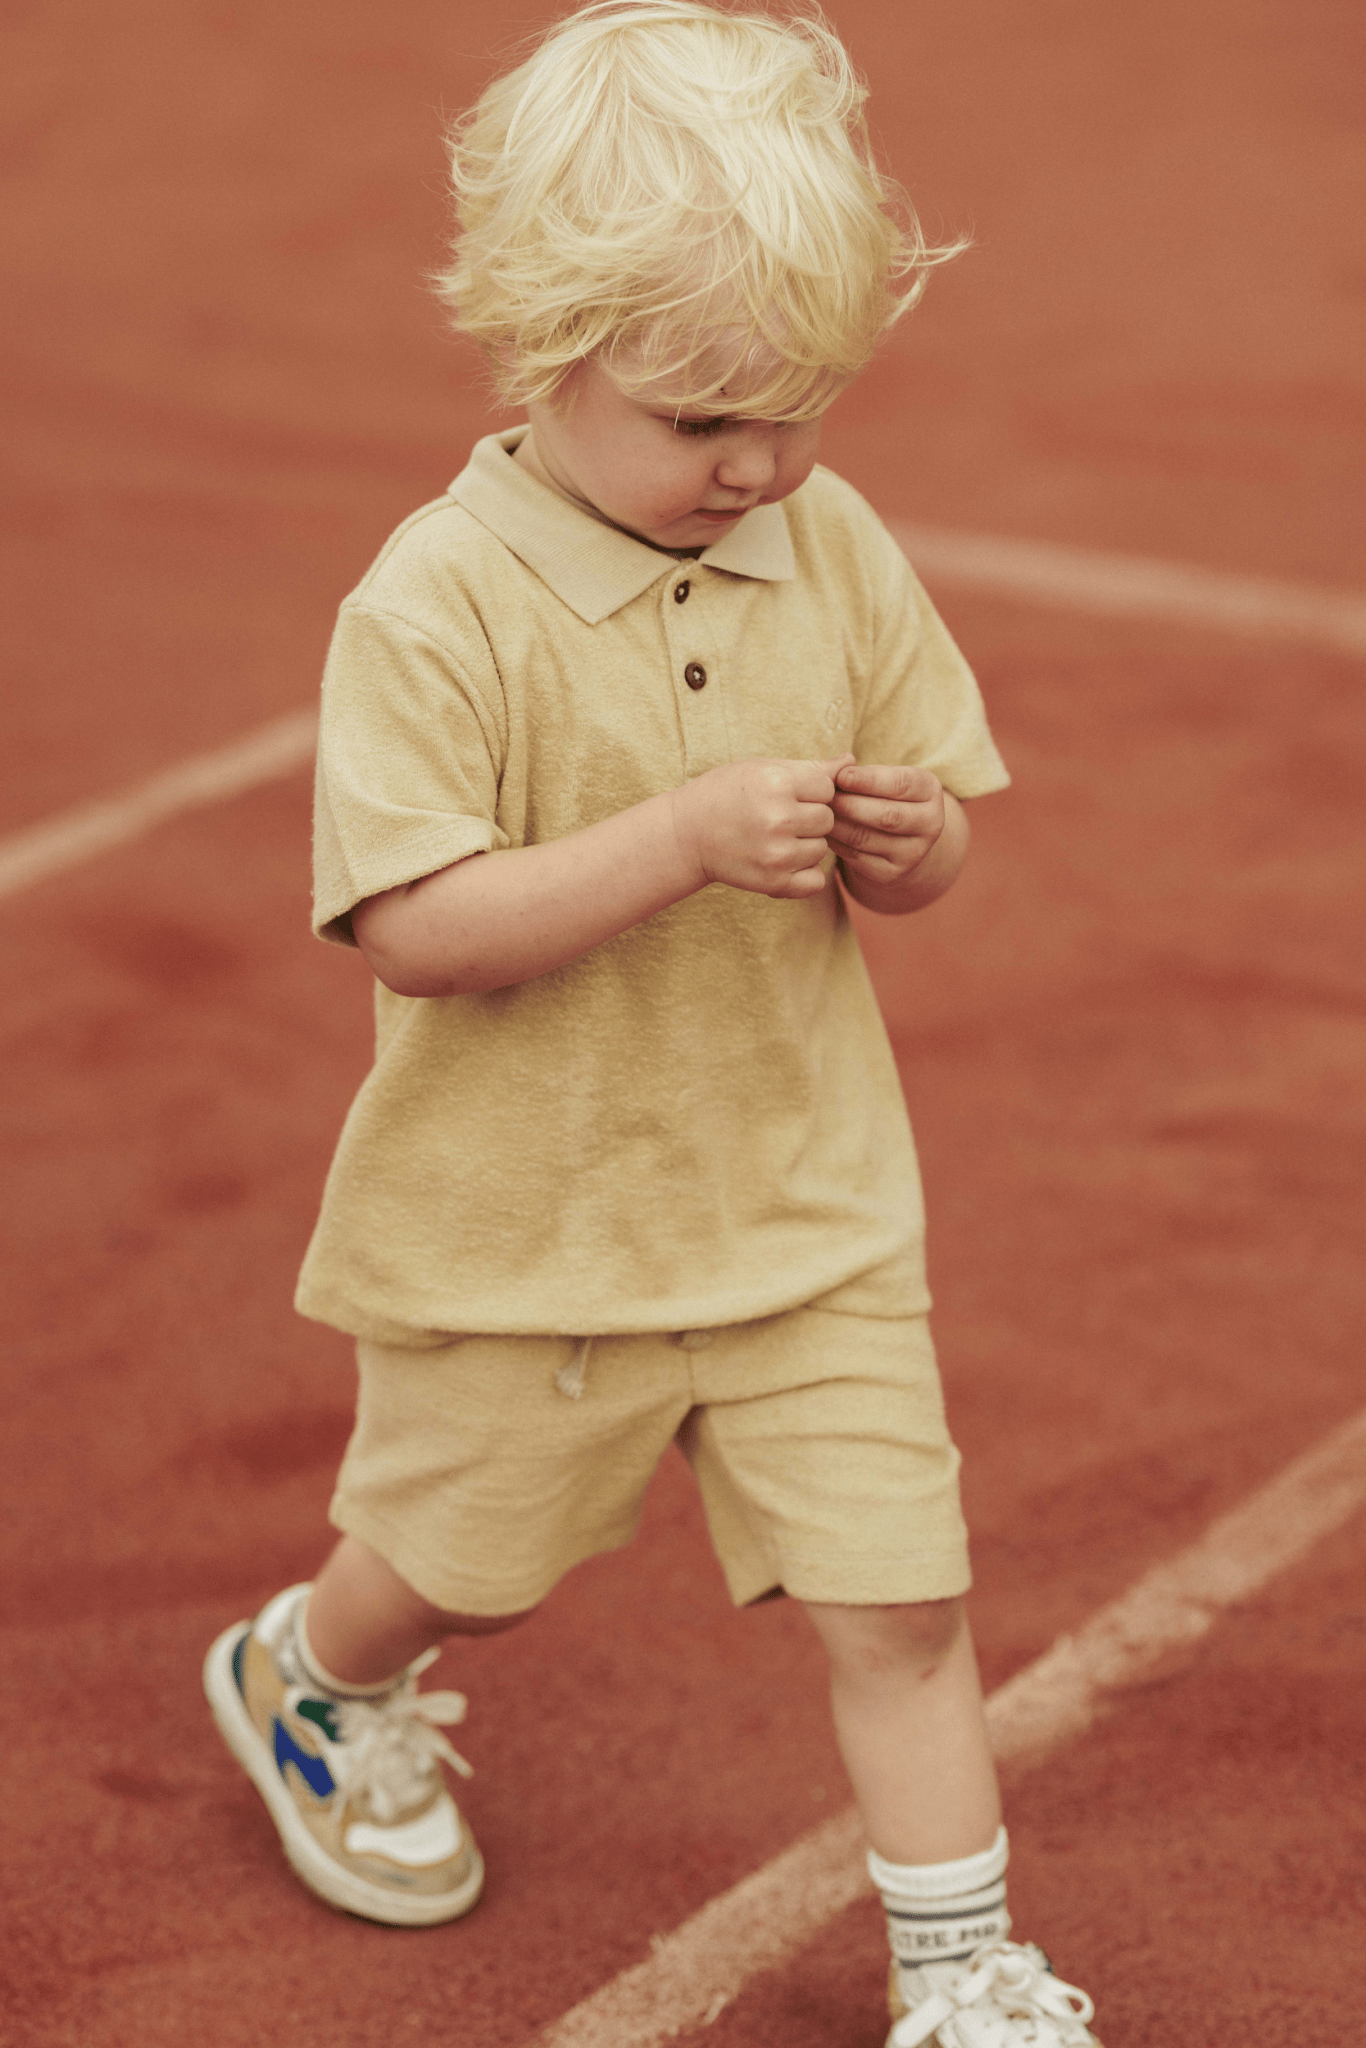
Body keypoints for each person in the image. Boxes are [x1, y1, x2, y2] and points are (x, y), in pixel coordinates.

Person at [203, 6, 1101, 2043]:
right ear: (550, 341)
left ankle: (959, 1971)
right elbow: (421, 928)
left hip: (799, 1206)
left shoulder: (827, 542)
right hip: (530, 1233)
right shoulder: (433, 606)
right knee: (450, 1560)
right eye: (704, 419)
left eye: (799, 410)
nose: (761, 465)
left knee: (900, 1596)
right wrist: (686, 830)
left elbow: (933, 849)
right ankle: (308, 1675)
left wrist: (907, 839)